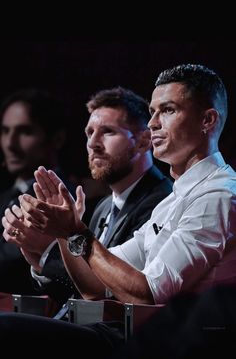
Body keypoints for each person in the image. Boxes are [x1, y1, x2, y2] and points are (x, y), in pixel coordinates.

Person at [1, 64, 236, 358]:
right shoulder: (173, 200)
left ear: (208, 120)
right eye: (152, 111)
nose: (153, 124)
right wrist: (64, 233)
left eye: (168, 110)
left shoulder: (217, 196)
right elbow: (93, 287)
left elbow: (147, 294)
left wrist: (76, 232)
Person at [2, 86, 173, 305]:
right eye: (89, 133)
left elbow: (113, 292)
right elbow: (80, 292)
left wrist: (51, 250)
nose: (93, 144)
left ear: (143, 141)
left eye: (108, 131)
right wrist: (40, 262)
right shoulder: (103, 207)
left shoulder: (161, 202)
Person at [0, 88, 75, 294]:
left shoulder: (64, 200)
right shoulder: (5, 197)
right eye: (5, 131)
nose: (10, 144)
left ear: (57, 139)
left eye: (25, 131)